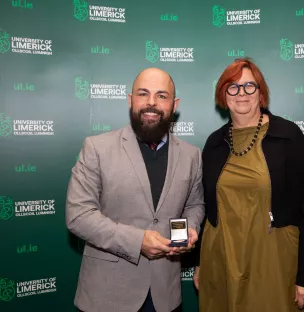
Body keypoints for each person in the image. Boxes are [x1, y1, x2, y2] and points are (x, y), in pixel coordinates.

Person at [193, 58, 304, 312]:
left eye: (249, 86)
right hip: (221, 259)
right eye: (232, 87)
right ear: (223, 95)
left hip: (273, 261)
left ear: (261, 92)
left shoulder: (288, 136)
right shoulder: (214, 143)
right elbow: (206, 207)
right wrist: (200, 262)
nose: (241, 93)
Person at [66, 68, 205, 312]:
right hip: (107, 296)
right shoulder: (97, 148)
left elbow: (195, 204)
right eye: (143, 94)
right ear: (131, 100)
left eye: (162, 96)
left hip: (166, 295)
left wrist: (191, 229)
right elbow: (78, 216)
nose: (151, 102)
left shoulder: (192, 155)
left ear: (174, 105)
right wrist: (137, 241)